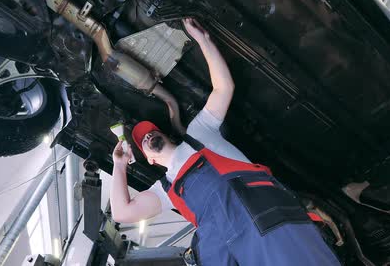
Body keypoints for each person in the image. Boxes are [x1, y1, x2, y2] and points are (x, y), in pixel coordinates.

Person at [111, 18, 340, 265]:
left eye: (151, 132)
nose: (147, 136)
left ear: (167, 135)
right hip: (238, 250)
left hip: (273, 225)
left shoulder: (199, 133)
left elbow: (223, 88)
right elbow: (122, 212)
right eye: (142, 141)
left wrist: (203, 41)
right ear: (151, 159)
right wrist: (119, 164)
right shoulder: (166, 191)